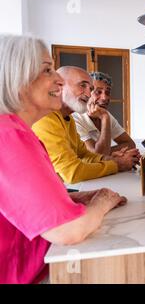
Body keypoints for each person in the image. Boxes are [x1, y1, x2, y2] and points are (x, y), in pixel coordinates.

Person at [0, 35, 127, 284]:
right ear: (18, 78)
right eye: (47, 70)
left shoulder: (17, 130)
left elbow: (20, 203)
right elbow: (69, 232)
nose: (58, 79)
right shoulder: (9, 136)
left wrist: (71, 198)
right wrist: (103, 201)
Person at [32, 66, 140, 184]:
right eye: (82, 85)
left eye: (91, 88)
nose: (89, 94)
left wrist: (112, 159)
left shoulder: (67, 118)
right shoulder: (45, 117)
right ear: (59, 86)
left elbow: (84, 155)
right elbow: (72, 172)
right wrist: (117, 164)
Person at [73, 72, 136, 155]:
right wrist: (105, 118)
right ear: (87, 93)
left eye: (107, 92)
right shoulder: (75, 118)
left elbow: (130, 144)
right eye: (98, 92)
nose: (105, 98)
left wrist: (109, 153)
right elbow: (96, 154)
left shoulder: (105, 114)